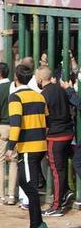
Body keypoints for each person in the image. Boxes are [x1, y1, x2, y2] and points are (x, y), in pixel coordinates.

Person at [6, 64, 49, 228]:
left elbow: (15, 124)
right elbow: (46, 121)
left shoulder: (15, 97)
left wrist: (10, 146)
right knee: (28, 185)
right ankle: (38, 224)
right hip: (39, 146)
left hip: (28, 148)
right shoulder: (39, 96)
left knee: (28, 187)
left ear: (16, 78)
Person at [37, 67, 73, 217]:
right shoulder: (61, 89)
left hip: (55, 135)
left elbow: (44, 119)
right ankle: (65, 194)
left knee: (57, 171)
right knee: (61, 168)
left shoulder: (43, 95)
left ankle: (57, 206)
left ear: (40, 79)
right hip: (67, 133)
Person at [0, 62, 17, 206]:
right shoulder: (14, 87)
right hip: (15, 127)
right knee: (13, 162)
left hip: (1, 127)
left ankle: (0, 196)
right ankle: (12, 195)